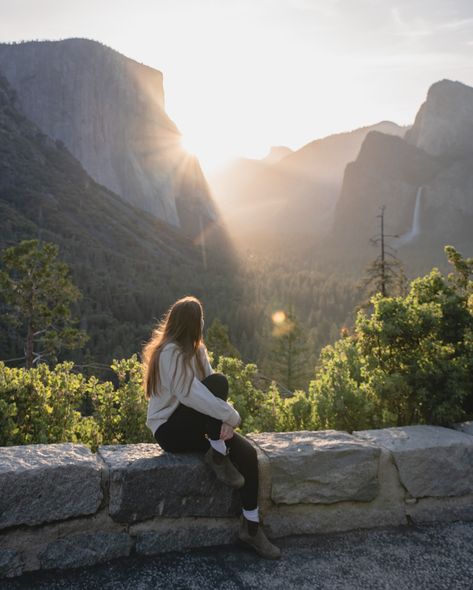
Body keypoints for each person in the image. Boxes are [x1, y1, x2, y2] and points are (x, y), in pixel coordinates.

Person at [142, 295, 281, 560]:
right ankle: (217, 454)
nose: (203, 323)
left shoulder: (197, 351)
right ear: (191, 324)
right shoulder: (169, 353)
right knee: (219, 382)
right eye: (200, 319)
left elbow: (211, 396)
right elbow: (191, 394)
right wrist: (230, 416)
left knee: (248, 455)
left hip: (199, 426)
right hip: (171, 430)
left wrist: (222, 423)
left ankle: (251, 529)